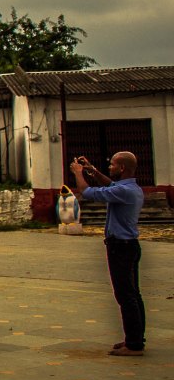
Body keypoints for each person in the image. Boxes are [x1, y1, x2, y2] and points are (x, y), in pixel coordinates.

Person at [69, 152, 146, 356]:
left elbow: (86, 192)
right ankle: (135, 338)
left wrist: (78, 173)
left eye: (112, 164)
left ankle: (134, 344)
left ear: (121, 168)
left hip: (120, 247)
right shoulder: (130, 188)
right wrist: (93, 171)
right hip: (128, 246)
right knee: (133, 294)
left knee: (125, 295)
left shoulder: (124, 191)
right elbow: (110, 184)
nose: (109, 167)